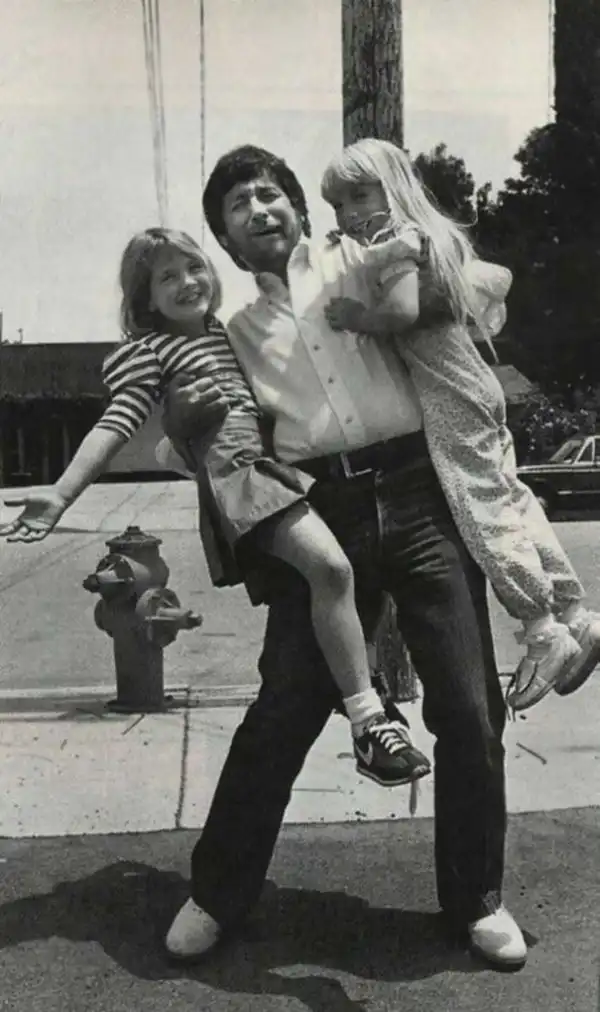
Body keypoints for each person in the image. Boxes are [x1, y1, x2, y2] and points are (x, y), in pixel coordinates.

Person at [159, 144, 528, 970]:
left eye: (269, 194)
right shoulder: (228, 335)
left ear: (298, 207)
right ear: (226, 241)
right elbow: (209, 446)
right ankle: (216, 894)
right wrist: (181, 430)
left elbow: (478, 291)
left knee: (470, 707)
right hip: (320, 511)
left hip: (421, 490)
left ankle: (476, 898)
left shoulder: (364, 257)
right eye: (238, 207)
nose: (258, 211)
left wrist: (431, 284)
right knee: (284, 709)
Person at [0, 226, 430, 791]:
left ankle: (364, 697)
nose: (186, 282)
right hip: (240, 480)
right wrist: (62, 492)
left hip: (280, 469)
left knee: (340, 582)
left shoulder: (224, 335)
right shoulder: (149, 352)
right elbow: (116, 422)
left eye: (194, 267)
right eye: (167, 277)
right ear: (145, 299)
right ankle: (368, 722)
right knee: (332, 569)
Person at [320, 137, 600, 710]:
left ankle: (541, 630)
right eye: (338, 204)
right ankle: (576, 614)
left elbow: (401, 312)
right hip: (475, 386)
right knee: (512, 500)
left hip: (450, 395)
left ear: (393, 188)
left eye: (359, 196)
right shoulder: (428, 238)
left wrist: (356, 316)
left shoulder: (397, 243)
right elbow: (488, 283)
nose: (348, 213)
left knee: (482, 512)